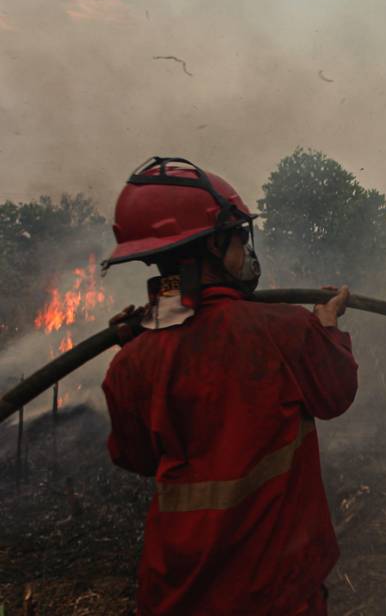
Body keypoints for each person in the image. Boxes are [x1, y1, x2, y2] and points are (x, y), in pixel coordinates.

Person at [101, 157, 358, 615]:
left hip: (176, 595)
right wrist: (329, 326)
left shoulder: (132, 361)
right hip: (274, 592)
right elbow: (336, 393)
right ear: (217, 243)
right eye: (239, 237)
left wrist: (138, 343)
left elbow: (134, 455)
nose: (246, 250)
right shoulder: (284, 330)